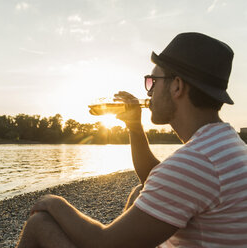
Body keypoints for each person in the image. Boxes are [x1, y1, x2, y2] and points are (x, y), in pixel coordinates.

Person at [16, 32, 247, 247]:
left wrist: (54, 202)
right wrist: (135, 127)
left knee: (40, 224)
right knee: (140, 190)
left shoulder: (197, 161)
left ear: (177, 86)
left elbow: (105, 243)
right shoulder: (225, 145)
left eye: (152, 82)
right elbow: (158, 179)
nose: (148, 93)